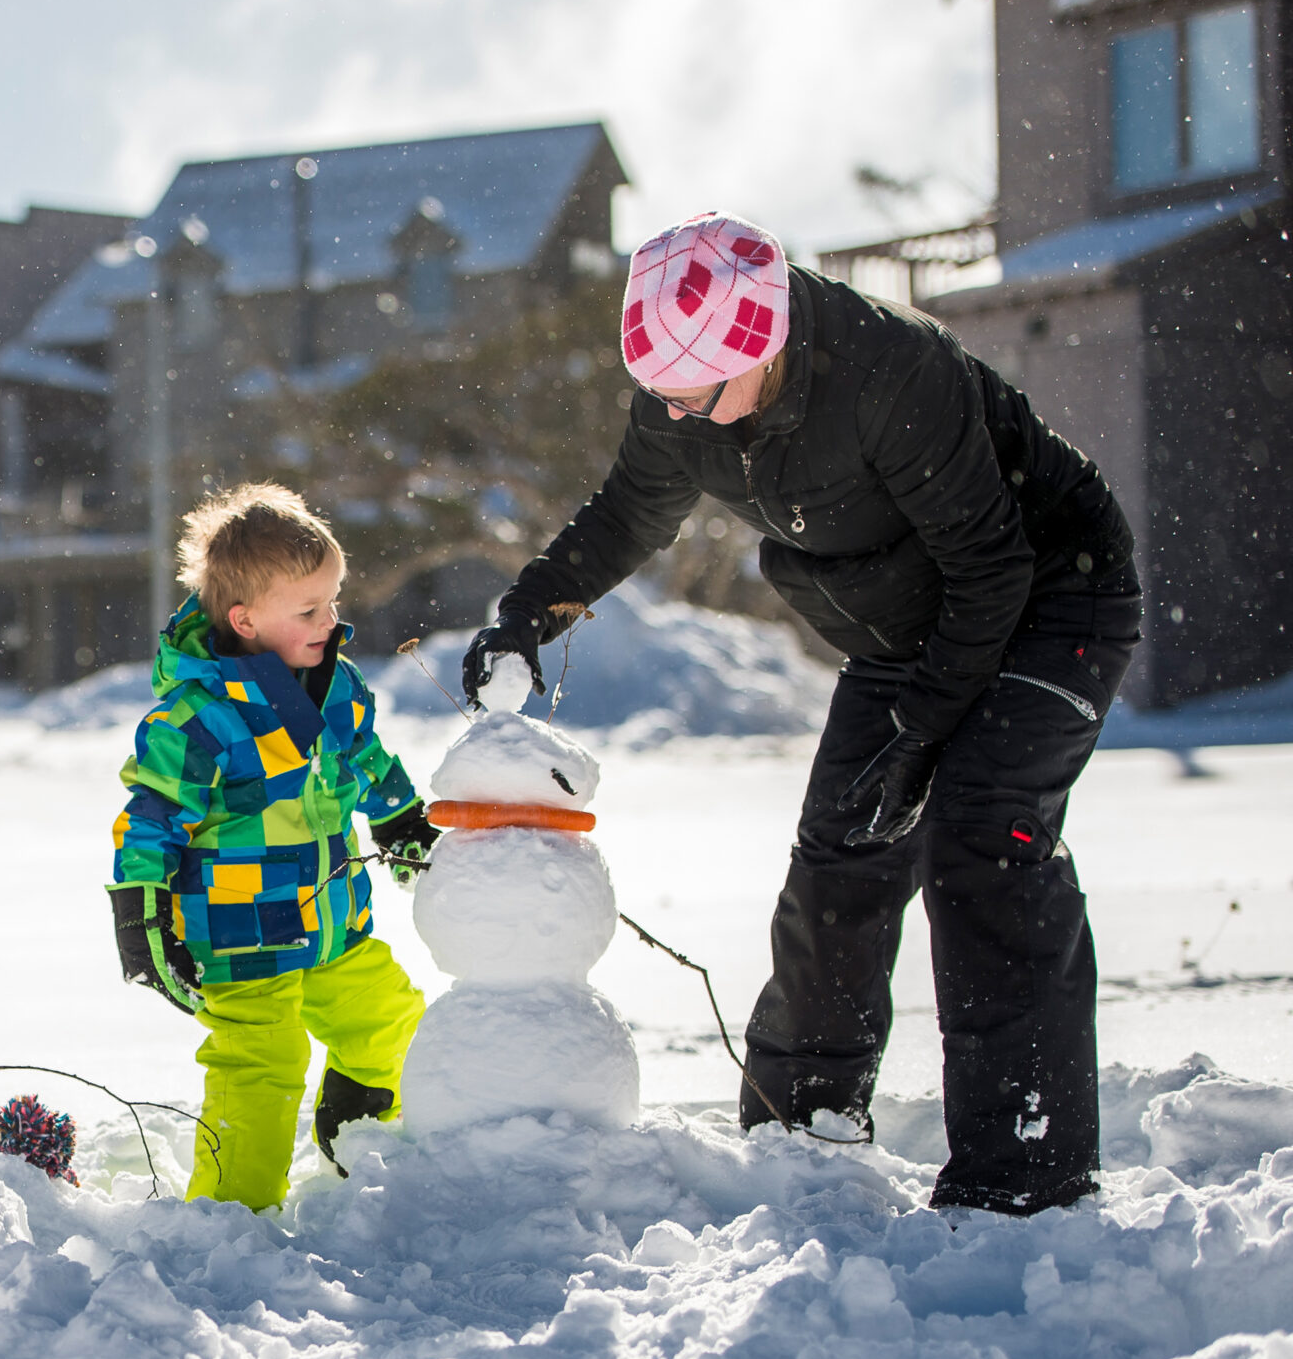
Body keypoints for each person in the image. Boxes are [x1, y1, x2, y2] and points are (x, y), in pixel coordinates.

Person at [464, 212, 1141, 1215]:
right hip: (907, 621)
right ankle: (802, 1127)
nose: (678, 413)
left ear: (762, 342)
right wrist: (527, 611)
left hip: (1046, 593)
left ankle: (1025, 1174)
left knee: (979, 837)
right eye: (662, 393)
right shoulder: (680, 400)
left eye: (697, 392)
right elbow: (627, 515)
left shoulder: (891, 374)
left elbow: (990, 569)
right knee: (838, 852)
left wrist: (918, 736)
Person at [110, 484, 440, 1208]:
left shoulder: (337, 686)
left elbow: (368, 760)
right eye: (310, 610)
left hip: (330, 926)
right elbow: (152, 817)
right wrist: (140, 912)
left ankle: (353, 1131)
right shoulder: (198, 717)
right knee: (264, 1065)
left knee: (391, 1017)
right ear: (245, 619)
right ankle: (232, 1216)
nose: (332, 621)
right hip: (241, 939)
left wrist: (401, 818)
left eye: (333, 601)